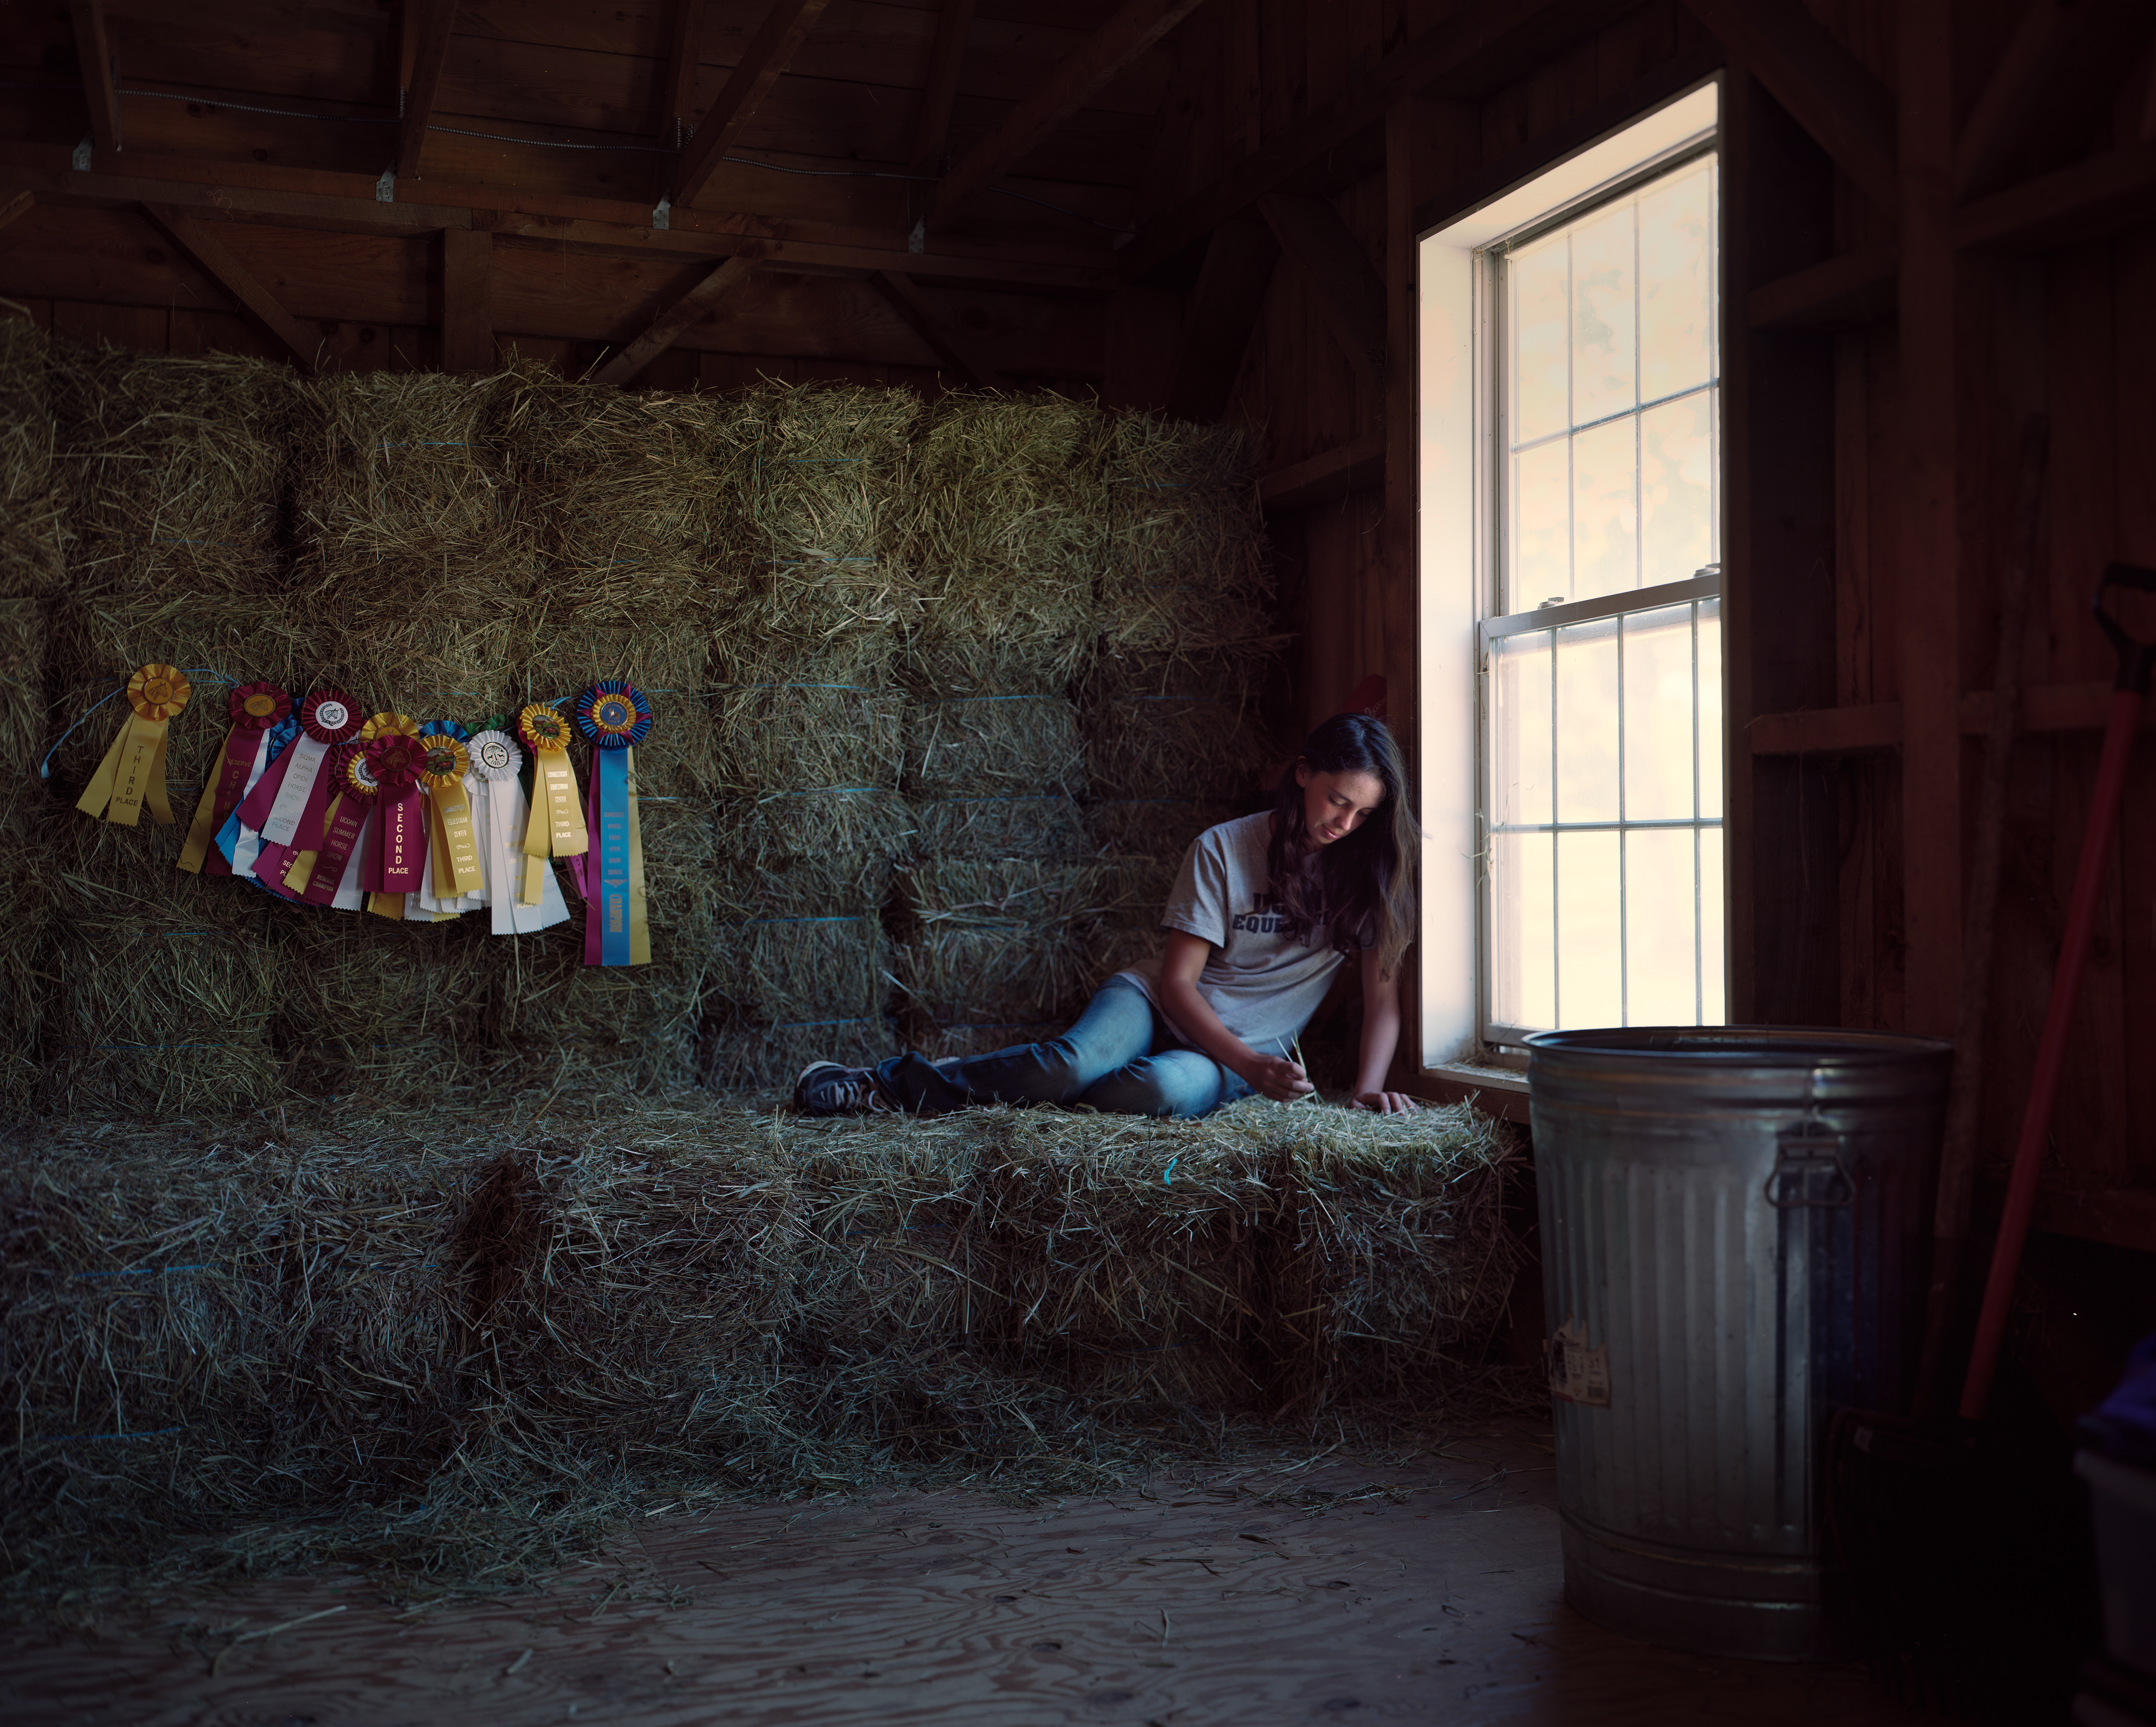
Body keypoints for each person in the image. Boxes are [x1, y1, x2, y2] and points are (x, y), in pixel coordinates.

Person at [794, 711, 1423, 1119]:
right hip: (1155, 1004)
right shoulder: (1225, 848)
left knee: (1158, 1091)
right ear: (1304, 775)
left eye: (1363, 813)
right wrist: (1253, 1065)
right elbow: (1176, 985)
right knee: (1071, 1063)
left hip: (1225, 1059)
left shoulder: (1369, 876)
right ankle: (886, 1084)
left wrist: (1366, 1090)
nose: (1345, 823)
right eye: (1337, 800)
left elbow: (1382, 1002)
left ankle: (1028, 1091)